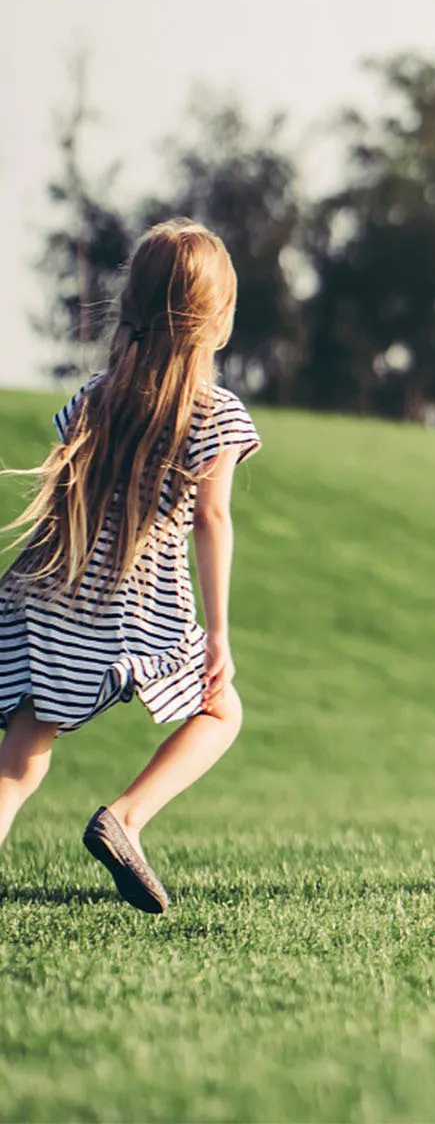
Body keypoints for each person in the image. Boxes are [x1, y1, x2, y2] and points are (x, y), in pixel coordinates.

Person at [0, 220, 260, 912]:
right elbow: (212, 520)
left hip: (57, 597)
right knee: (222, 708)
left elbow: (66, 501)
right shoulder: (215, 414)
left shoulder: (94, 397)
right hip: (141, 608)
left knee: (23, 752)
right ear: (216, 320)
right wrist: (218, 633)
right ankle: (125, 818)